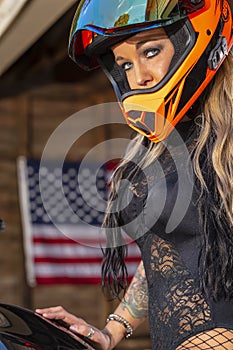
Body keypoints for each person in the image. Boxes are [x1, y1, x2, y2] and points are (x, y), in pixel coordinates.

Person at [36, 0, 233, 349]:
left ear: (195, 37)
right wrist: (113, 330)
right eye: (125, 63)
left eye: (151, 50)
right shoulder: (159, 144)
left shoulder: (226, 142)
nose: (138, 75)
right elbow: (169, 253)